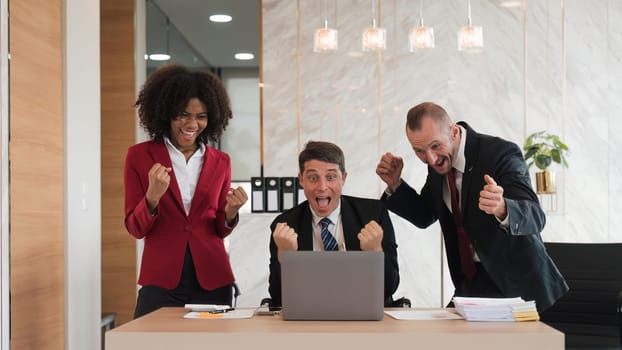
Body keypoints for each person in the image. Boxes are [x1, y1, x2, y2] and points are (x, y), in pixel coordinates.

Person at [376, 102, 568, 312]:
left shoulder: (500, 153)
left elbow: (536, 216)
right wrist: (395, 184)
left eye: (435, 146)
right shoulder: (439, 165)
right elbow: (425, 215)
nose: (430, 159)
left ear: (454, 131)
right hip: (471, 284)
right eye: (419, 151)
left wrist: (503, 208)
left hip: (518, 287)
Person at [124, 64, 248, 318]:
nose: (192, 123)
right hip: (161, 279)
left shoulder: (221, 161)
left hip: (213, 278)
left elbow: (218, 228)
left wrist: (230, 212)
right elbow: (135, 228)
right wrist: (152, 197)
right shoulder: (138, 156)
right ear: (165, 113)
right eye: (183, 114)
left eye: (201, 116)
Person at [268, 141, 400, 307]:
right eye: (313, 178)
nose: (322, 187)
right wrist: (285, 255)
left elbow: (389, 288)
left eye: (331, 177)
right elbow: (278, 299)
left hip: (363, 316)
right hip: (309, 319)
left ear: (343, 178)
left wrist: (375, 253)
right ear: (301, 179)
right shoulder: (284, 225)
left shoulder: (373, 214)